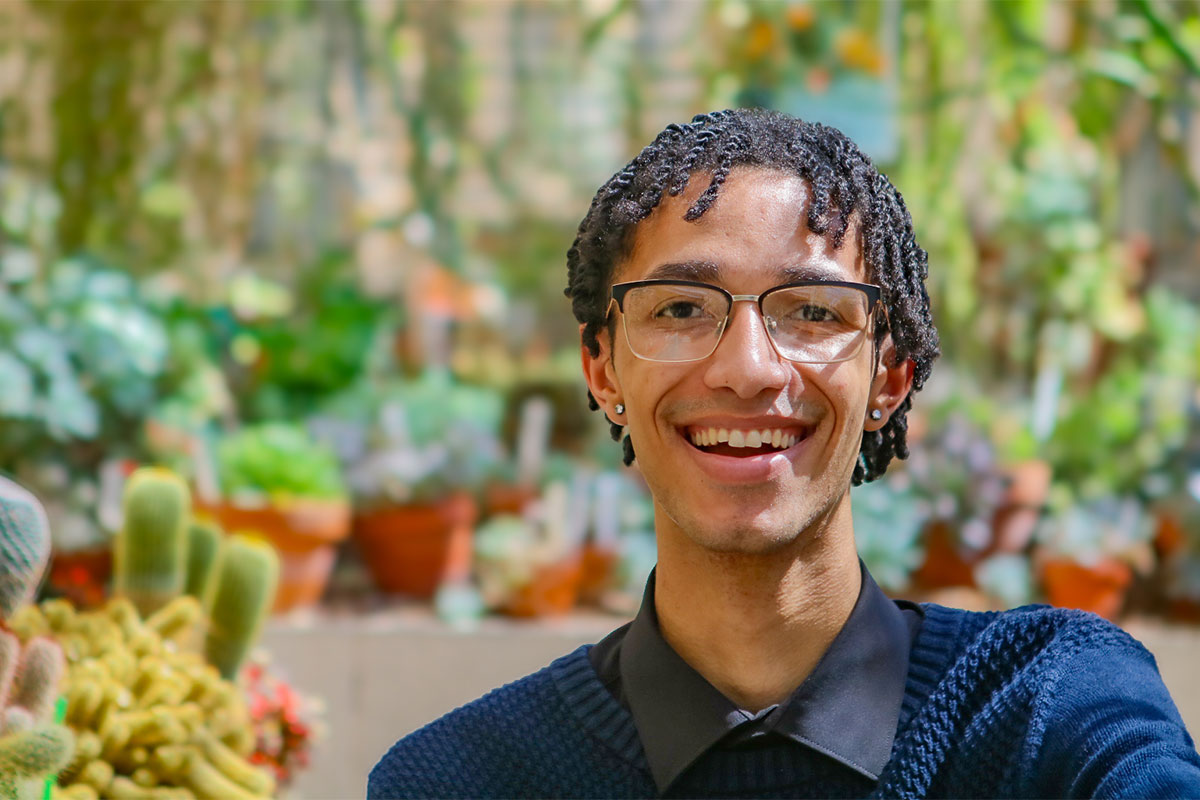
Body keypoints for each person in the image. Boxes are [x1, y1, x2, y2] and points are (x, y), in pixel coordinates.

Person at [368, 109, 1200, 798]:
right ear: (603, 368)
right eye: (680, 309)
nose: (748, 369)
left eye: (813, 311)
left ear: (889, 378)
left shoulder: (1050, 715)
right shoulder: (458, 780)